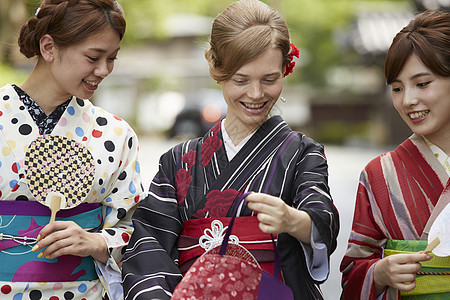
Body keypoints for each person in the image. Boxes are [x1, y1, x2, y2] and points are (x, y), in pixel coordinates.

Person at [122, 0, 339, 299]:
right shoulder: (178, 161)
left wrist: (293, 220)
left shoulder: (302, 153)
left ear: (285, 71)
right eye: (241, 80)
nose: (256, 94)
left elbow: (321, 217)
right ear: (215, 67)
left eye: (269, 79)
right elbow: (150, 243)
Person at [0, 0, 146, 299]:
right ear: (49, 47)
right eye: (93, 57)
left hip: (84, 292)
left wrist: (96, 243)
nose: (104, 70)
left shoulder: (115, 133)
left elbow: (137, 229)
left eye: (112, 58)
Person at [340, 9, 450, 300]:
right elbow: (353, 269)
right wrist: (379, 273)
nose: (408, 100)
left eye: (423, 83)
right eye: (397, 88)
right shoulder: (379, 174)